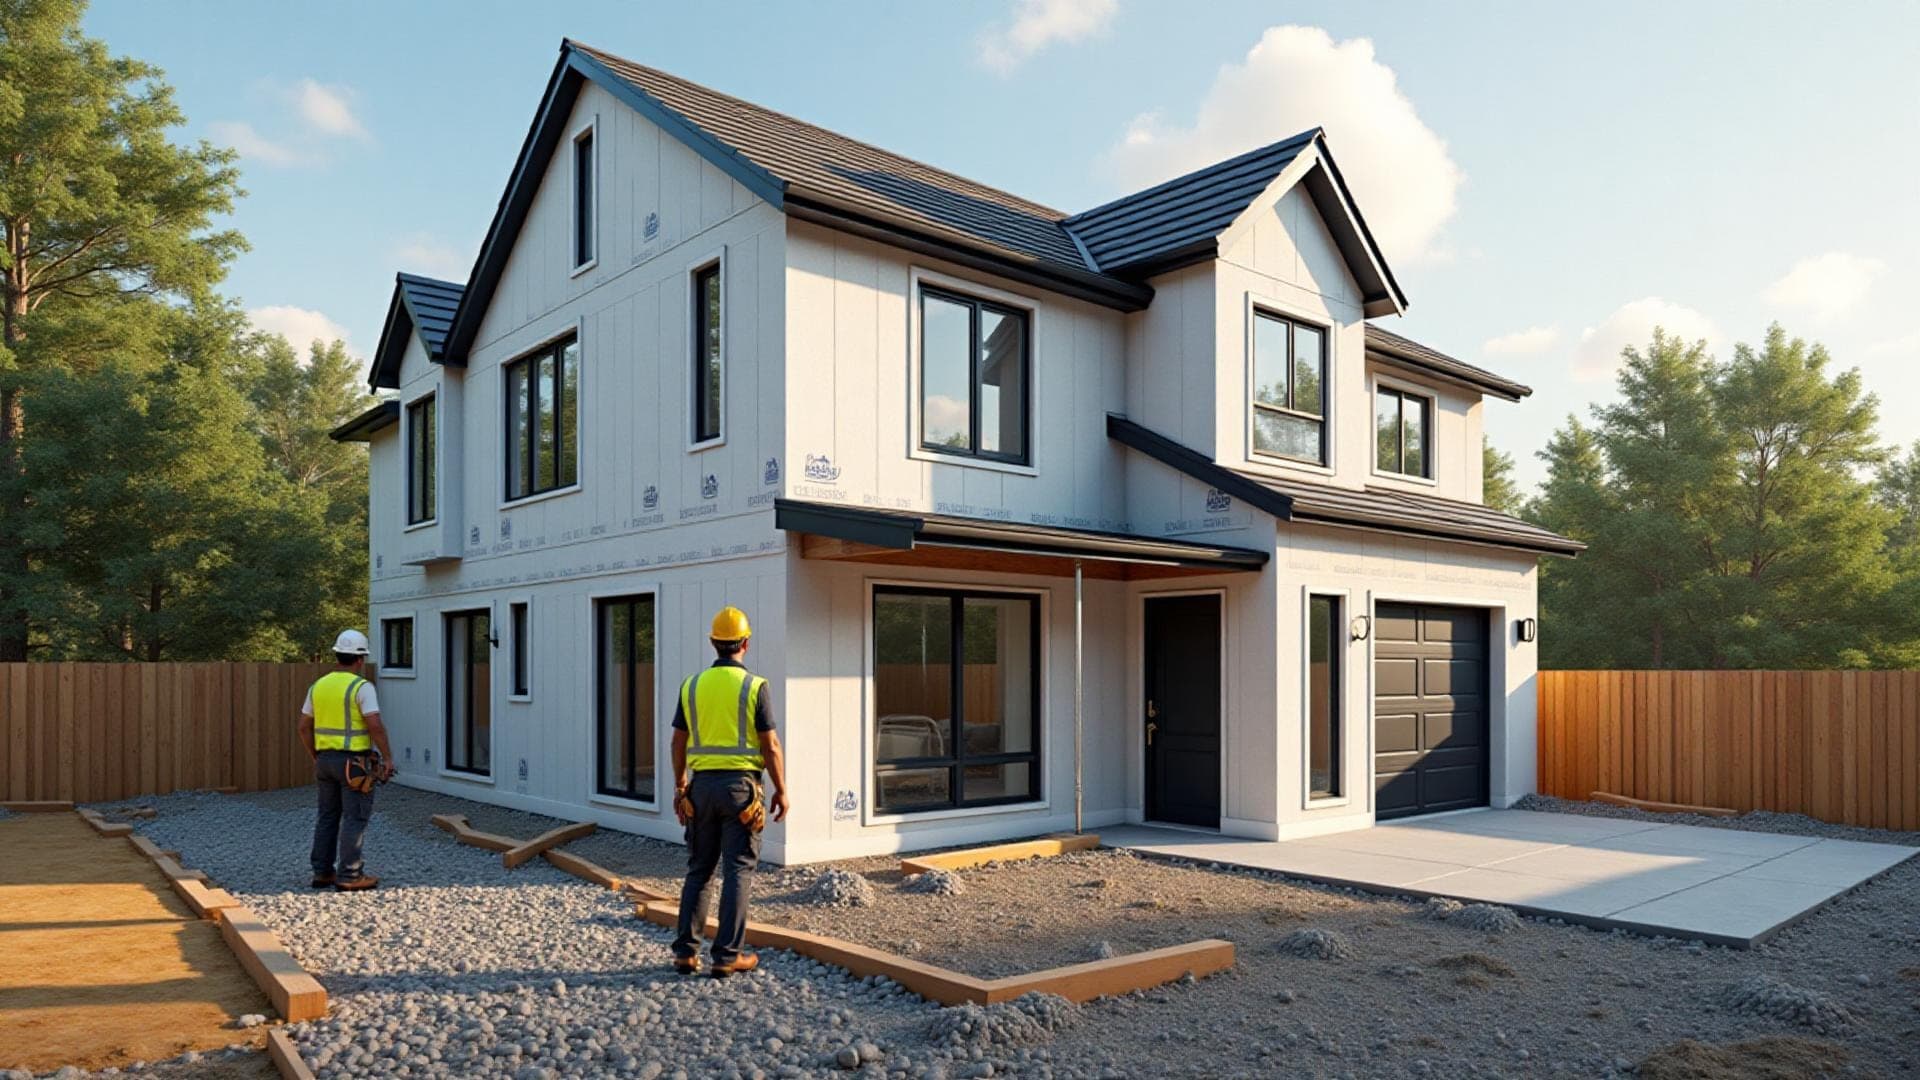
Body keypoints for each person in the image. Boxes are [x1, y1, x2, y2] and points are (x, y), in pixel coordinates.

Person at [670, 606, 790, 977]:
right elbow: (769, 746)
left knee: (700, 869)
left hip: (701, 788)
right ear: (745, 643)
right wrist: (782, 790)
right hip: (740, 789)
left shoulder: (691, 685)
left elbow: (677, 740)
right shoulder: (755, 686)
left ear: (713, 643)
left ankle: (686, 954)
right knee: (737, 868)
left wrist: (680, 786)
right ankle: (726, 956)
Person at [296, 629, 394, 891]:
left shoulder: (318, 686)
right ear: (360, 660)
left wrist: (315, 755)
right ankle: (350, 875)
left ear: (337, 655)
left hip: (325, 760)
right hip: (355, 765)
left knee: (327, 816)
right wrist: (388, 758)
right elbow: (375, 725)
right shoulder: (361, 687)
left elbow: (303, 727)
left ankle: (322, 873)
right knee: (354, 818)